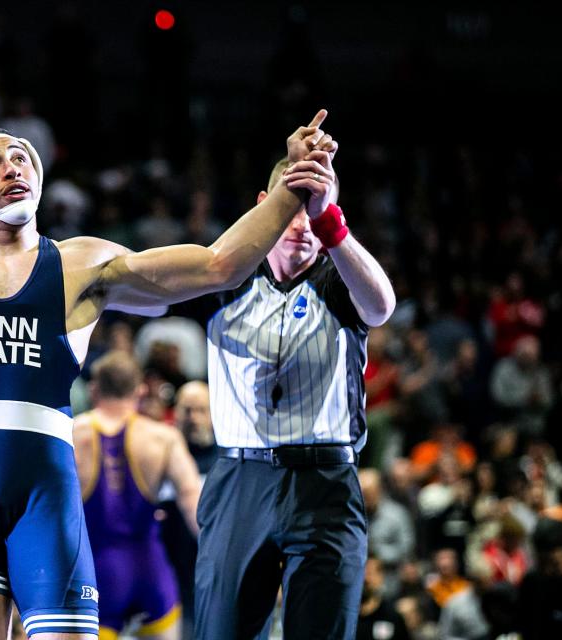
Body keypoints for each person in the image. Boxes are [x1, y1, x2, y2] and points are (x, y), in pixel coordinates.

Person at [0, 110, 338, 639]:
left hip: (45, 498)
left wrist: (293, 185)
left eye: (22, 157)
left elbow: (215, 266)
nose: (13, 167)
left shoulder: (82, 264)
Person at [193, 150, 396, 639]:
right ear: (265, 205)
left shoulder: (340, 277)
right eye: (291, 206)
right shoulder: (225, 276)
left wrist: (333, 223)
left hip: (324, 481)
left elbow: (382, 306)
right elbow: (136, 280)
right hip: (240, 480)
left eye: (315, 208)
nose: (302, 222)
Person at [72, 352, 202, 640]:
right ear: (140, 390)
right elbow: (193, 500)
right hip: (151, 571)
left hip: (95, 573)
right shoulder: (162, 437)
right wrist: (219, 559)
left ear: (94, 389)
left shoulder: (70, 434)